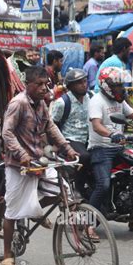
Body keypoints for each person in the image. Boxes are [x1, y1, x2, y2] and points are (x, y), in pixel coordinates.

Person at [0, 66, 78, 265]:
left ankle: (33, 211)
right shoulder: (19, 103)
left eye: (46, 84)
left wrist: (67, 148)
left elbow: (50, 127)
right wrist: (21, 155)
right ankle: (7, 256)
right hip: (18, 164)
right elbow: (6, 133)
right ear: (28, 85)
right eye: (40, 84)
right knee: (12, 210)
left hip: (38, 159)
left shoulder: (41, 103)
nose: (45, 88)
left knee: (62, 192)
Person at [88, 67, 133, 237]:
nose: (121, 88)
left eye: (121, 84)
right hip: (101, 149)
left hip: (119, 147)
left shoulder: (119, 100)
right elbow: (97, 125)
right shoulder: (96, 101)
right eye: (117, 85)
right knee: (103, 185)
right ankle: (88, 225)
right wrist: (111, 134)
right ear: (106, 85)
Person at [51, 69, 91, 198]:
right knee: (84, 156)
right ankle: (77, 188)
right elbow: (52, 125)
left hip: (89, 137)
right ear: (70, 86)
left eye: (85, 81)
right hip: (71, 138)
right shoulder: (62, 102)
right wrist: (57, 145)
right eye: (79, 83)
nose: (84, 85)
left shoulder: (91, 97)